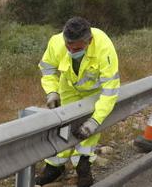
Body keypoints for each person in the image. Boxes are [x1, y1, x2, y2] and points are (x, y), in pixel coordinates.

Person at [35, 17, 120, 187]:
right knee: (64, 125)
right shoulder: (57, 42)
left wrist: (94, 121)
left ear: (89, 41)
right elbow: (48, 68)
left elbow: (110, 90)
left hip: (94, 92)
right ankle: (54, 166)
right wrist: (52, 92)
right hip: (68, 88)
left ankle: (83, 165)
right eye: (69, 47)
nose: (72, 51)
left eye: (78, 49)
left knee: (87, 130)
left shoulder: (103, 47)